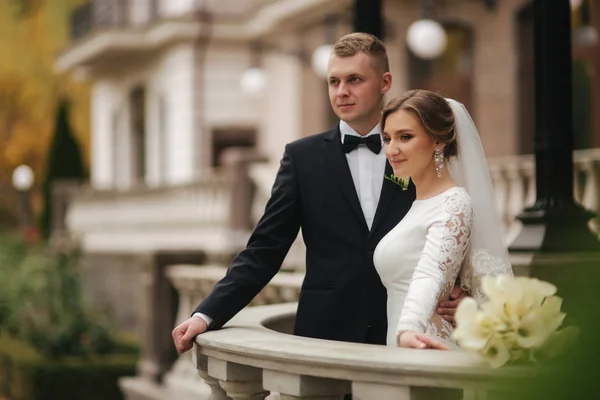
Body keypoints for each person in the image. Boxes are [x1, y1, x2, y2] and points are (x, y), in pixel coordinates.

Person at [172, 34, 466, 354]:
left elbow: (448, 225)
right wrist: (206, 314)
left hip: (405, 335)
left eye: (354, 79)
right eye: (333, 81)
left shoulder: (418, 151)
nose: (342, 92)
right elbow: (264, 249)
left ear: (385, 82)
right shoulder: (302, 158)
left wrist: (464, 292)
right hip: (323, 336)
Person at [374, 89, 513, 350]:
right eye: (387, 138)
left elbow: (431, 272)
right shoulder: (415, 205)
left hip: (425, 345)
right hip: (400, 343)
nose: (392, 149)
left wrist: (408, 329)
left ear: (438, 142)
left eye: (405, 137)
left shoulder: (454, 202)